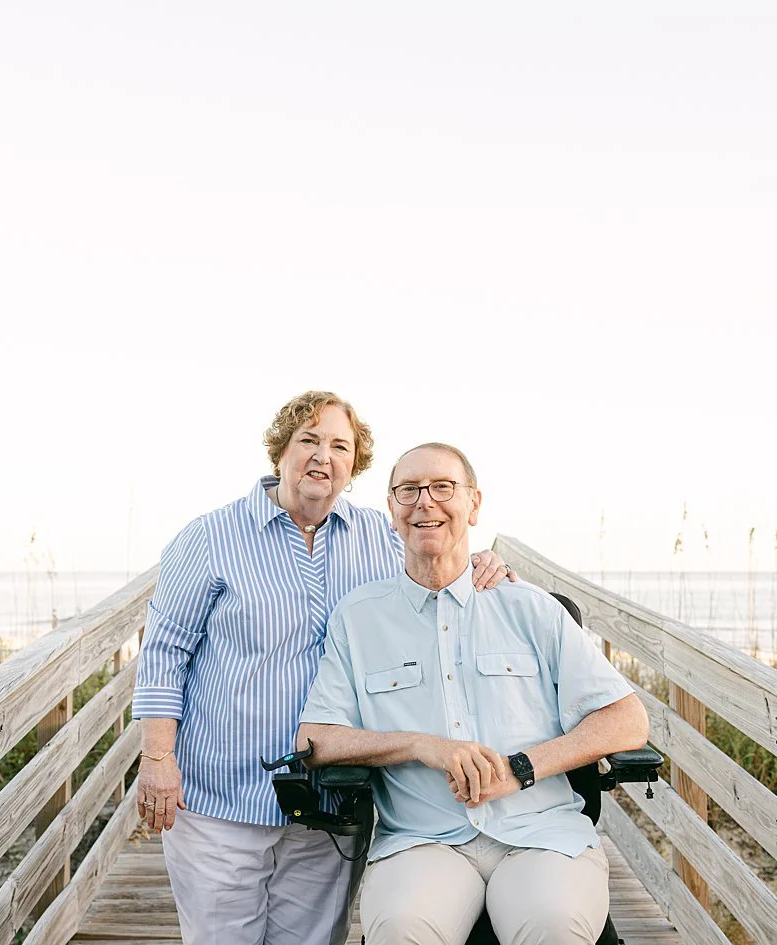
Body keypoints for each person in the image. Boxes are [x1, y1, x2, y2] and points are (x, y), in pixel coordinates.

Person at [131, 393, 512, 945]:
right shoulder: (211, 538)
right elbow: (164, 653)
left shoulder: (381, 540)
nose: (322, 456)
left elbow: (438, 571)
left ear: (354, 465)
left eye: (340, 446)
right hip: (222, 796)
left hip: (331, 800)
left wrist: (486, 565)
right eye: (308, 440)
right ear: (280, 451)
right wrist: (158, 758)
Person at [296, 442, 649, 945]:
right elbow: (316, 740)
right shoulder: (359, 618)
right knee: (400, 929)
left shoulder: (531, 609)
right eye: (408, 490)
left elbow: (627, 720)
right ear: (391, 510)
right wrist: (422, 746)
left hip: (540, 834)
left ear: (474, 504)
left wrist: (519, 769)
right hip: (423, 840)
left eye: (443, 487)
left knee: (553, 921)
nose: (425, 502)